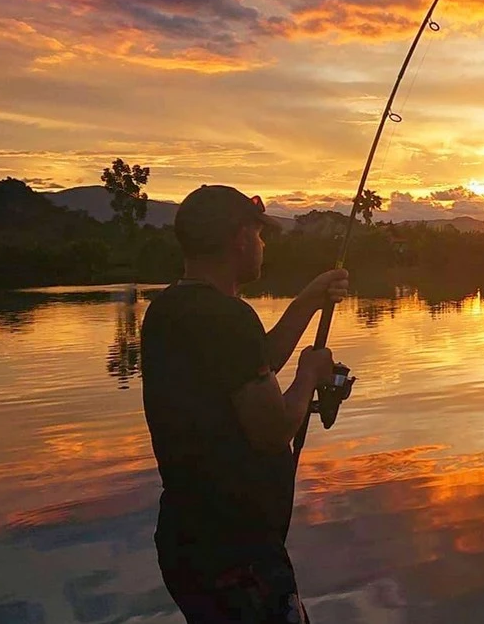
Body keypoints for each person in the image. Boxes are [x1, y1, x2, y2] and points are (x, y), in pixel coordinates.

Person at [140, 184, 350, 623]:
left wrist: (307, 302)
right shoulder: (227, 316)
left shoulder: (168, 308)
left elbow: (252, 364)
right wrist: (308, 375)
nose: (262, 245)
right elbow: (272, 430)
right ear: (239, 238)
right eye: (259, 234)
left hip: (186, 537)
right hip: (236, 551)